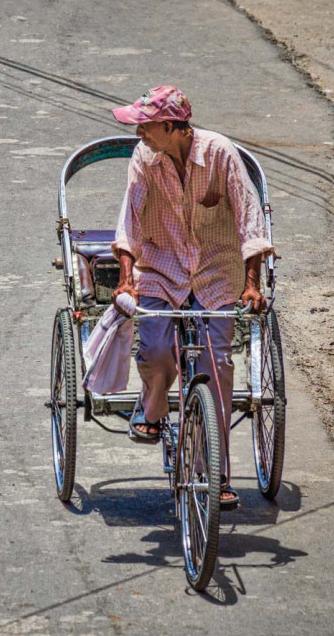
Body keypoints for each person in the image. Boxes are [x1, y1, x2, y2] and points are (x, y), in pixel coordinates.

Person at [110, 85, 275, 509]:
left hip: (216, 273)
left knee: (216, 365)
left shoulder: (220, 153)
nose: (139, 134)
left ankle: (215, 474)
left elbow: (250, 218)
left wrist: (252, 283)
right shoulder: (144, 158)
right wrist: (127, 278)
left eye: (145, 126)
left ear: (170, 126)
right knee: (157, 350)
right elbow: (128, 219)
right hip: (161, 269)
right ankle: (152, 408)